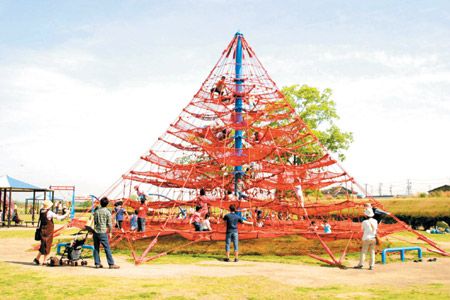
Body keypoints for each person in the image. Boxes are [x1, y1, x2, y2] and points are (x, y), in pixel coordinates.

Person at [33, 200, 69, 265]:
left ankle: (37, 259)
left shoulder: (41, 211)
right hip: (48, 231)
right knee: (47, 246)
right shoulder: (49, 213)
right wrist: (67, 214)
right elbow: (59, 217)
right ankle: (44, 261)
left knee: (43, 245)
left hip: (42, 230)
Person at [92, 197, 120, 269]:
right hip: (103, 232)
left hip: (95, 232)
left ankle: (97, 263)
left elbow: (94, 222)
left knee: (96, 248)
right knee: (107, 248)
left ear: (100, 203)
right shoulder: (107, 212)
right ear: (107, 204)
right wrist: (110, 232)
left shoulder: (96, 211)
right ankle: (111, 264)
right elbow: (109, 224)